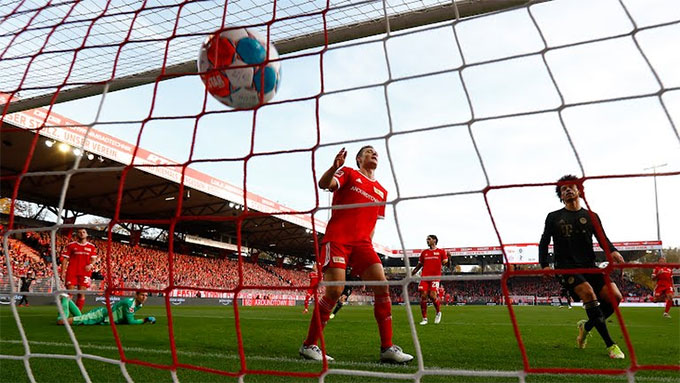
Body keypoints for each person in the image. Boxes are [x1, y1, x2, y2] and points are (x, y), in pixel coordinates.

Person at [299, 146, 413, 364]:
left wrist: (367, 245)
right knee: (334, 291)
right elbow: (325, 184)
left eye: (375, 152)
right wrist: (335, 167)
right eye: (369, 151)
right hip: (339, 239)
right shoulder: (349, 172)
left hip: (363, 244)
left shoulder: (382, 191)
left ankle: (387, 348)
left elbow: (372, 224)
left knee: (382, 286)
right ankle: (309, 345)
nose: (374, 153)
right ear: (359, 158)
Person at [539, 175, 626, 359]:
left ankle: (585, 327)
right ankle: (611, 345)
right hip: (566, 267)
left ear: (579, 191)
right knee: (588, 293)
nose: (568, 190)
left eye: (572, 187)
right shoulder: (553, 217)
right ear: (561, 196)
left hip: (590, 266)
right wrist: (545, 265)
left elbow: (602, 238)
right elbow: (544, 242)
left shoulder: (591, 216)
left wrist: (612, 251)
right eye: (564, 189)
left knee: (615, 297)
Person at [57, 291, 155, 326]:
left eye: (146, 295)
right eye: (142, 295)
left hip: (102, 315)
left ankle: (67, 300)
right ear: (136, 295)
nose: (144, 297)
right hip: (100, 316)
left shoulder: (139, 305)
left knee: (81, 317)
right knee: (62, 322)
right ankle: (65, 299)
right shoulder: (129, 303)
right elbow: (130, 321)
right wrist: (145, 319)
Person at [412, 235, 448, 325]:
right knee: (423, 296)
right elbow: (419, 266)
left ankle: (438, 312)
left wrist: (449, 258)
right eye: (427, 239)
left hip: (435, 278)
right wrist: (411, 273)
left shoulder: (441, 252)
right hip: (424, 277)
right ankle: (424, 319)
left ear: (434, 240)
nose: (427, 241)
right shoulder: (424, 253)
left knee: (432, 296)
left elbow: (446, 264)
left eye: (429, 239)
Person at [60, 228, 97, 311]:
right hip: (72, 271)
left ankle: (77, 314)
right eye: (79, 232)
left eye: (84, 232)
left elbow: (93, 259)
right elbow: (65, 259)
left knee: (81, 294)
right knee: (69, 293)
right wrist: (62, 272)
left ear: (87, 234)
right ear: (77, 235)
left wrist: (90, 265)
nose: (82, 234)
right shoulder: (71, 245)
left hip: (85, 273)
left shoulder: (91, 246)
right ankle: (64, 314)